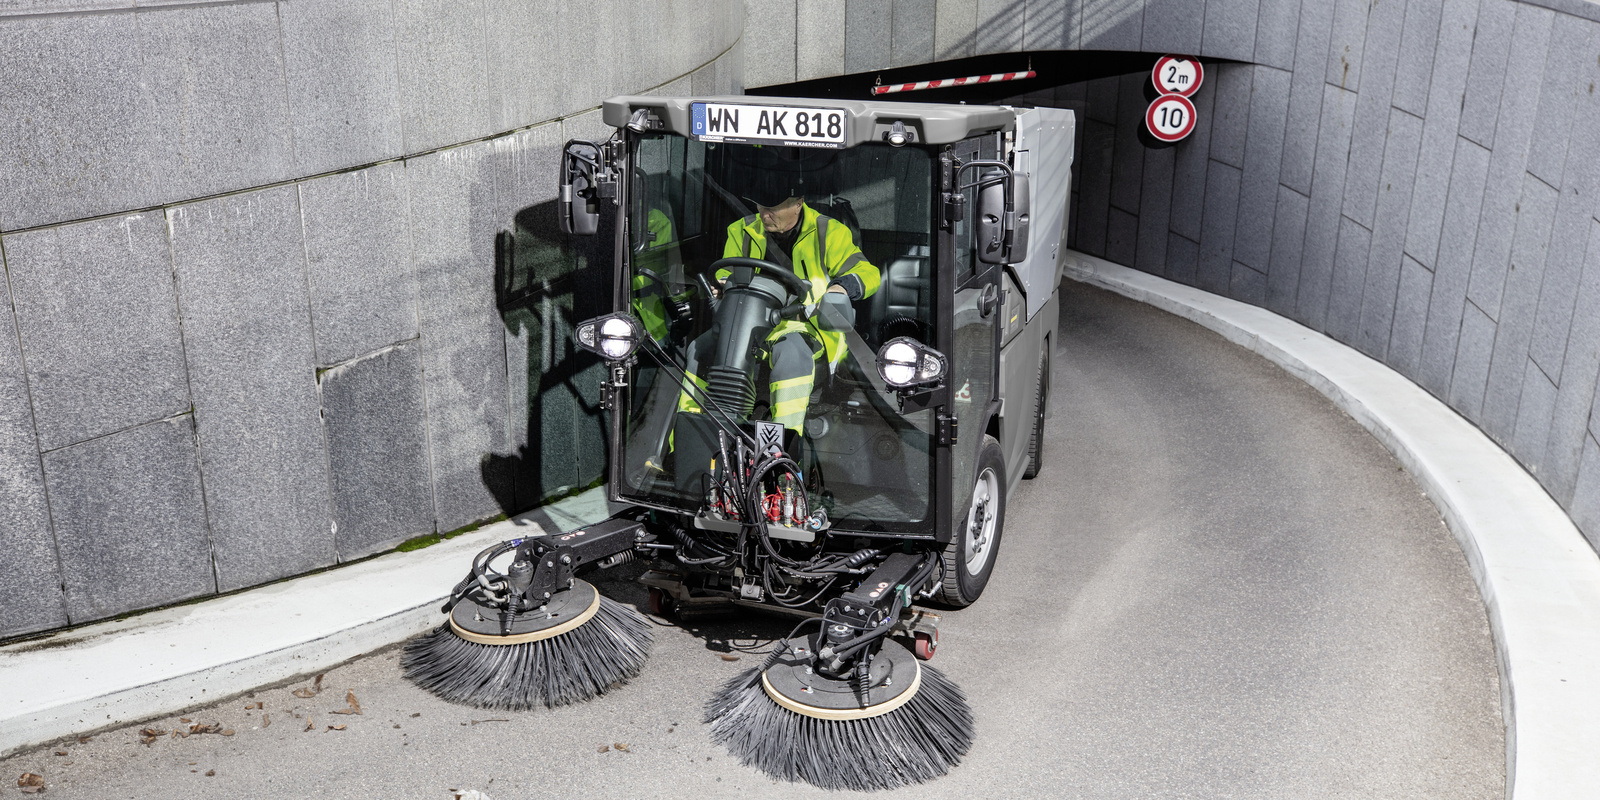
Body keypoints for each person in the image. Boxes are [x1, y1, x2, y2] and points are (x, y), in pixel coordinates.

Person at [681, 162, 880, 435]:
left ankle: (781, 450)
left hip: (808, 326)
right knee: (699, 350)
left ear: (798, 203)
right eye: (761, 207)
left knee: (791, 354)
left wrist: (841, 289)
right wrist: (723, 285)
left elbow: (867, 273)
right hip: (748, 322)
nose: (764, 214)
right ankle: (686, 439)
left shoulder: (829, 233)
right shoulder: (742, 230)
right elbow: (726, 271)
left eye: (773, 208)